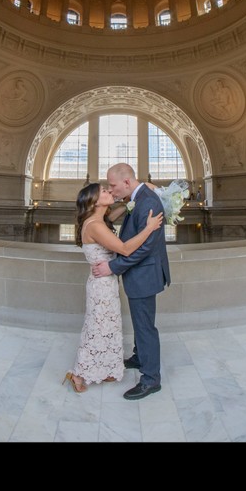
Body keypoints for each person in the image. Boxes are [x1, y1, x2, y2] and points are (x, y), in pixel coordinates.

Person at [64, 182, 163, 394]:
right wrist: (149, 228)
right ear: (94, 200)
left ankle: (103, 368)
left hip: (106, 283)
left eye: (110, 188)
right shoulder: (95, 226)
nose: (110, 191)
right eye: (104, 191)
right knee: (96, 329)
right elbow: (125, 249)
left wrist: (141, 188)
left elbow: (125, 207)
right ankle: (78, 374)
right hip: (101, 287)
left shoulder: (101, 219)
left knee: (107, 327)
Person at [92, 163, 171, 400]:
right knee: (140, 321)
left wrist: (112, 267)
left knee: (145, 326)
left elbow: (145, 248)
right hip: (139, 274)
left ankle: (151, 379)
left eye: (113, 185)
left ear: (127, 182)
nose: (111, 190)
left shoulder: (148, 201)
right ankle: (139, 357)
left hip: (145, 274)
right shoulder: (138, 197)